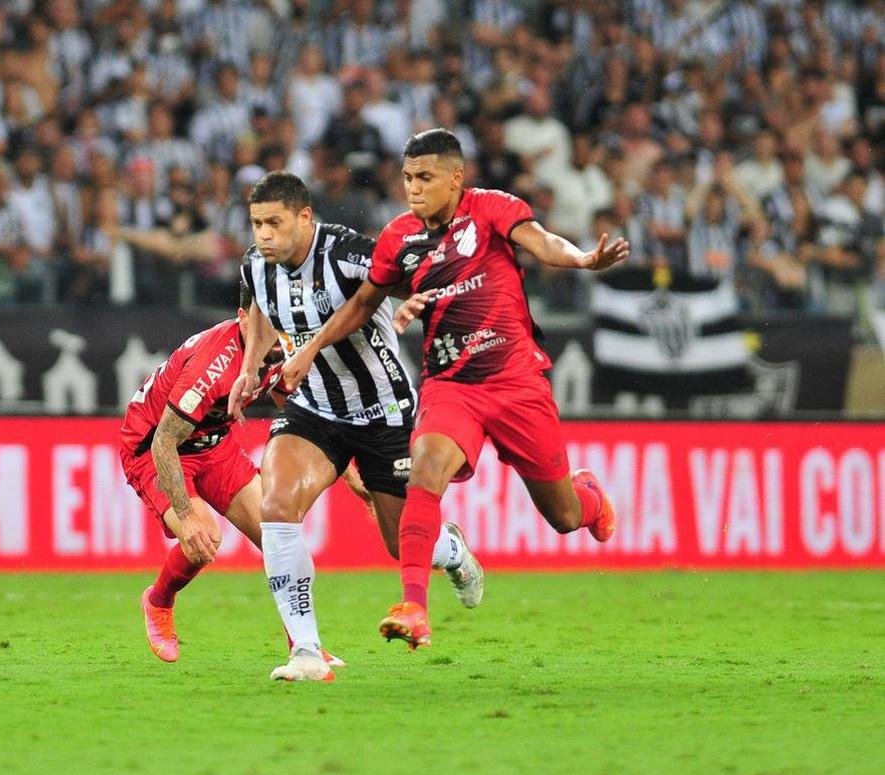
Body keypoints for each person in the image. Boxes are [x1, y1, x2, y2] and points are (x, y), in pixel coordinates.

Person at [280, 129, 628, 649]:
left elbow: (541, 241)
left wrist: (579, 260)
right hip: (450, 386)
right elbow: (361, 304)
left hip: (515, 382)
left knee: (563, 516)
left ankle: (590, 501)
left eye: (425, 178)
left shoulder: (492, 209)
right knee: (425, 467)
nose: (413, 189)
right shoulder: (399, 237)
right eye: (406, 178)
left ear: (456, 179)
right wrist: (309, 349)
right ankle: (414, 608)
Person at [228, 171, 484, 681]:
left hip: (383, 412)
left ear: (305, 217)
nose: (264, 235)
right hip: (315, 408)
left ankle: (452, 551)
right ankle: (305, 651)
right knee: (276, 507)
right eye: (256, 224)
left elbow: (375, 295)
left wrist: (317, 344)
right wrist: (250, 366)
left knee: (400, 542)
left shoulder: (346, 252)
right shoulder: (257, 265)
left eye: (274, 223)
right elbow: (257, 310)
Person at [122, 286, 358, 668]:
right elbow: (163, 441)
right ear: (242, 318)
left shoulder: (285, 349)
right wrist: (184, 516)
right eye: (262, 322)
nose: (272, 333)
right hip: (154, 449)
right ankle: (158, 600)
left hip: (215, 446)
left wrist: (350, 475)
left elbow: (300, 411)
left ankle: (304, 645)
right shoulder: (215, 362)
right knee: (204, 538)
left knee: (279, 535)